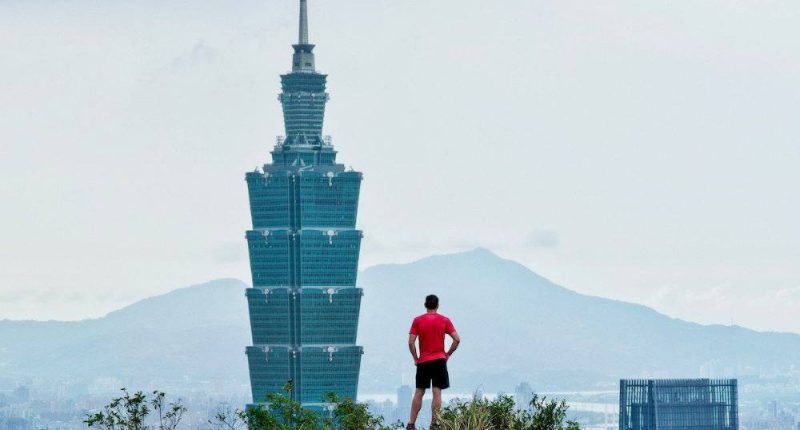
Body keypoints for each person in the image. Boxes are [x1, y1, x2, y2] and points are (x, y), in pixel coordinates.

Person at [406, 294, 461, 430]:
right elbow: (457, 339)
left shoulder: (417, 320)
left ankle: (411, 424)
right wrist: (448, 354)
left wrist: (415, 358)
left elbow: (411, 342)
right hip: (439, 360)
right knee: (437, 391)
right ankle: (435, 423)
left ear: (425, 305)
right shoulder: (444, 320)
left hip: (423, 361)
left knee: (419, 391)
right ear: (437, 305)